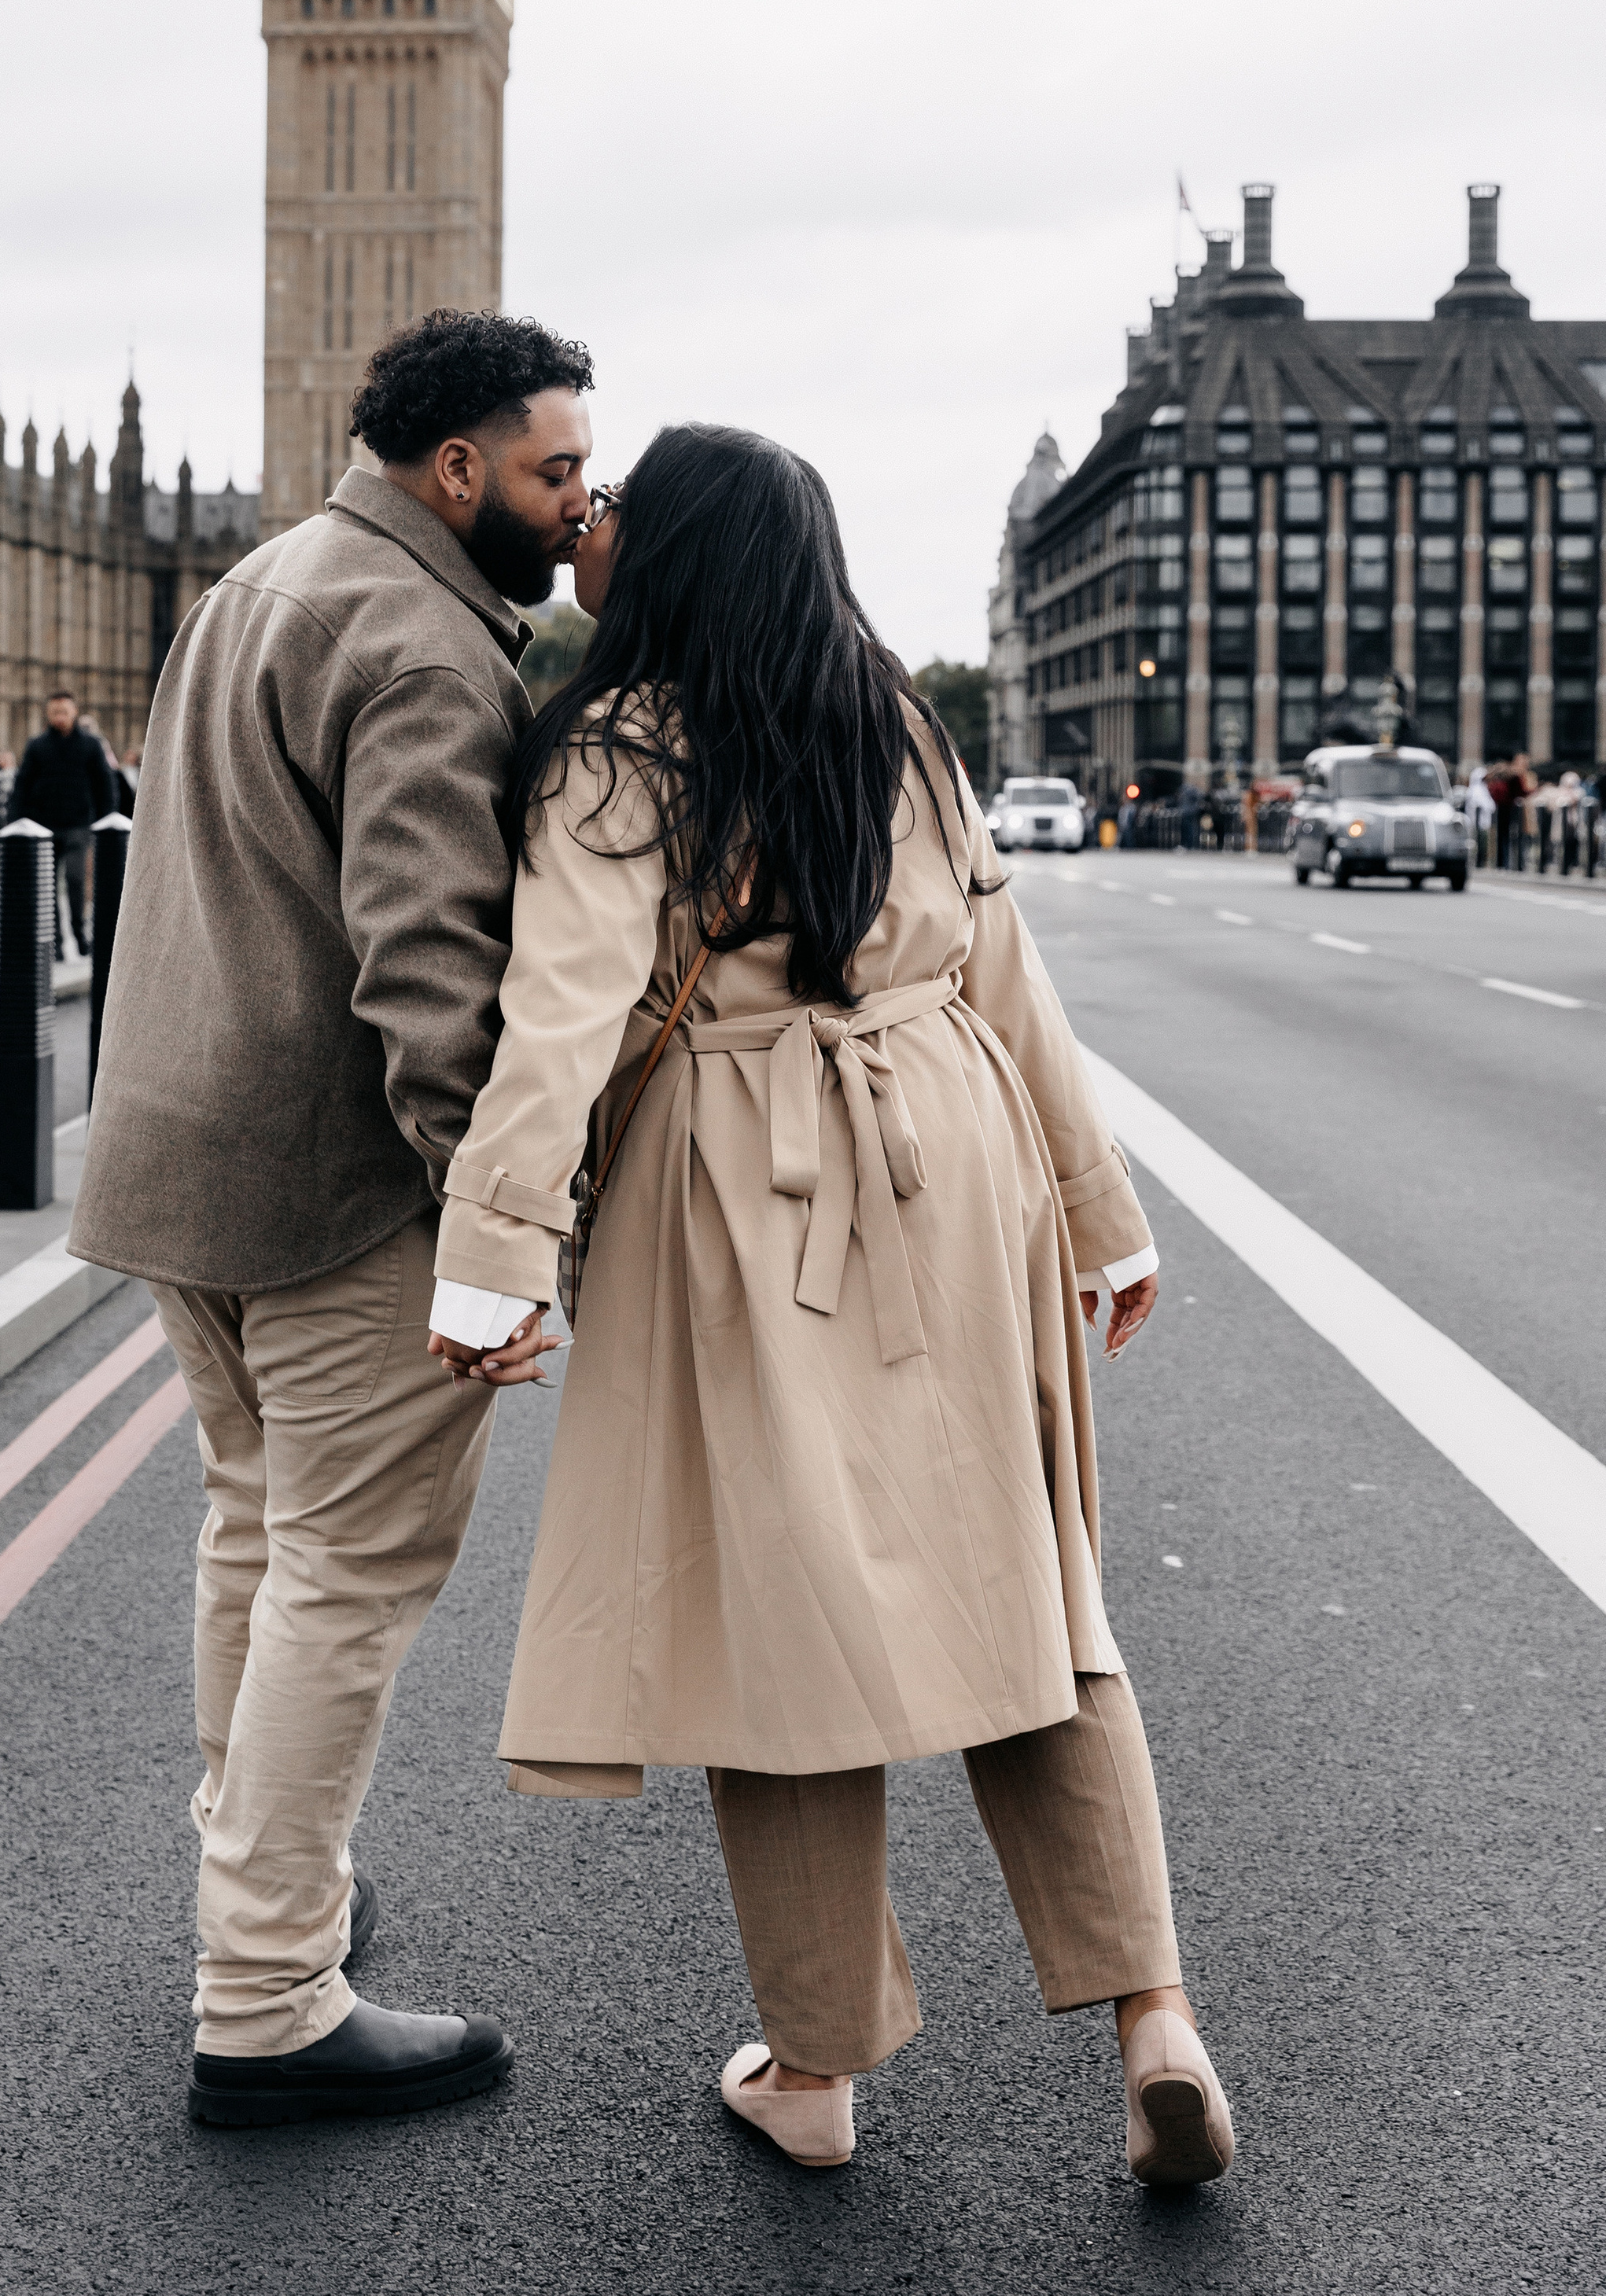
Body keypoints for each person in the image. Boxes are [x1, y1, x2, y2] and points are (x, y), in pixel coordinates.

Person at [426, 426, 1236, 2188]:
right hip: (956, 1146)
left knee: (776, 1629)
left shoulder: (618, 757)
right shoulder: (897, 722)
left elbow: (562, 1021)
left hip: (740, 1177)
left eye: (618, 500)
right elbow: (1011, 983)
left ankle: (815, 2071)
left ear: (679, 552)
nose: (594, 520)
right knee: (1033, 1587)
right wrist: (1102, 1215)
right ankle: (1151, 2015)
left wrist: (490, 1259)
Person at [68, 307, 595, 2129]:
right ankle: (271, 1991)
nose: (574, 501)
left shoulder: (264, 579)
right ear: (456, 469)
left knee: (255, 1532)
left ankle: (261, 1887)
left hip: (181, 1165)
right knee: (346, 1570)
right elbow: (430, 971)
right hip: (331, 1189)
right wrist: (496, 1238)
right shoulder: (426, 646)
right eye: (553, 469)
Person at [9, 690, 116, 957]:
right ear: (48, 714)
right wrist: (16, 820)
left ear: (74, 713)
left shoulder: (91, 745)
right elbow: (22, 785)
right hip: (44, 825)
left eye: (64, 712)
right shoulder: (37, 746)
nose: (59, 718)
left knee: (76, 879)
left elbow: (105, 785)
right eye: (55, 712)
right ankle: (55, 940)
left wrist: (106, 819)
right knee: (48, 885)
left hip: (79, 824)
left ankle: (79, 932)